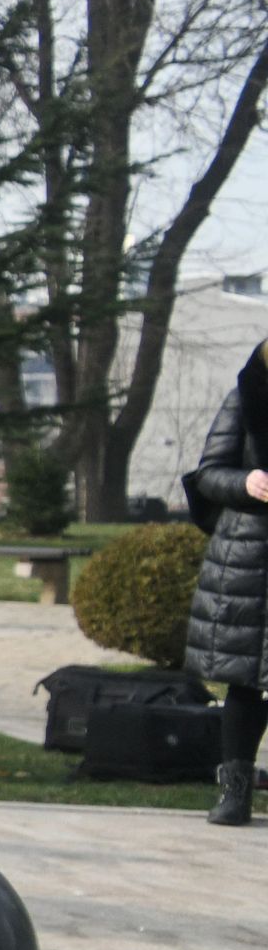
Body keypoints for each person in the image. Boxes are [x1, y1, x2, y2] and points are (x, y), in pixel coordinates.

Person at [183, 338, 268, 826]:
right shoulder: (249, 393)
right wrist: (247, 483)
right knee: (243, 682)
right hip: (248, 560)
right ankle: (235, 793)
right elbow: (208, 475)